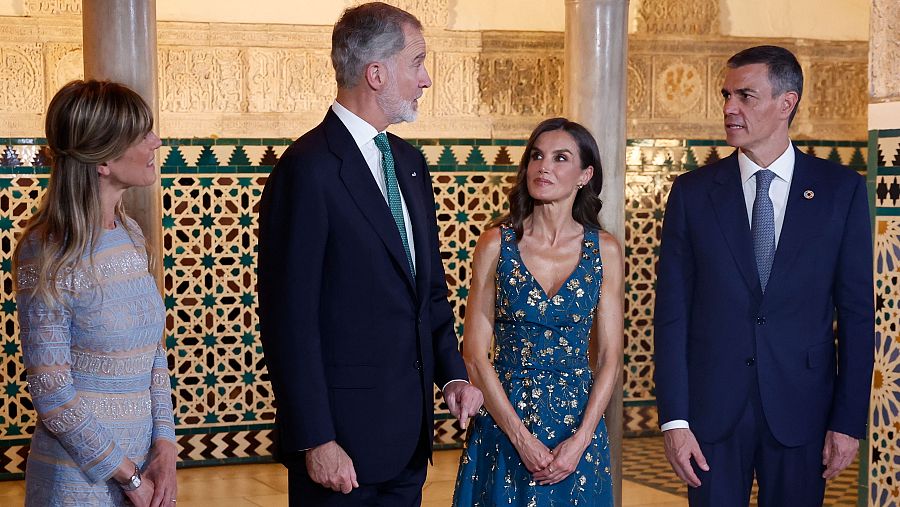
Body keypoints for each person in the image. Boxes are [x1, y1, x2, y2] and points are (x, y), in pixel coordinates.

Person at [256, 2, 483, 505]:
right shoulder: (307, 169)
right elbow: (289, 322)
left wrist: (453, 374)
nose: (425, 80)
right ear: (376, 73)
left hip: (409, 443)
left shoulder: (409, 163)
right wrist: (317, 438)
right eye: (418, 62)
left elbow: (429, 292)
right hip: (342, 447)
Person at [654, 45, 874, 506]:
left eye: (745, 96)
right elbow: (671, 316)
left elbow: (857, 314)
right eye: (726, 95)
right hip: (711, 415)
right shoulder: (692, 194)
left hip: (804, 411)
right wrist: (674, 421)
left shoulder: (842, 191)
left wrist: (849, 420)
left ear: (785, 104)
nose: (729, 108)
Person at [13, 80, 177, 506]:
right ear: (103, 160)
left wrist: (165, 446)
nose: (156, 141)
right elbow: (51, 389)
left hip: (143, 471)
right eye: (142, 134)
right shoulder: (45, 250)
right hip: (77, 484)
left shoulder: (129, 232)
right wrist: (128, 478)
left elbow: (153, 352)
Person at [452, 117, 622, 506]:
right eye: (536, 156)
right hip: (504, 418)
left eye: (560, 158)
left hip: (577, 426)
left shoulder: (605, 250)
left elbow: (611, 356)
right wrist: (520, 438)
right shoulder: (496, 243)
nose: (543, 166)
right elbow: (475, 356)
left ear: (585, 175)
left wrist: (581, 440)